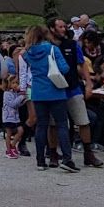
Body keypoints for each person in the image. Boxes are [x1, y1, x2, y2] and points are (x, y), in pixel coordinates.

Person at [50, 16, 104, 168]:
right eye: (60, 27)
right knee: (53, 124)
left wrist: (88, 84)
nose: (63, 29)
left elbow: (82, 64)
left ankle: (88, 153)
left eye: (64, 26)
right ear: (52, 29)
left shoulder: (72, 45)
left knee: (83, 121)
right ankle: (53, 153)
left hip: (73, 87)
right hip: (55, 89)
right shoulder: (48, 46)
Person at [24, 24, 79, 173]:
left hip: (38, 92)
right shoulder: (52, 49)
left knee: (41, 126)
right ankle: (67, 159)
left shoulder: (28, 52)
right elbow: (64, 68)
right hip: (55, 91)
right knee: (62, 124)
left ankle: (40, 160)